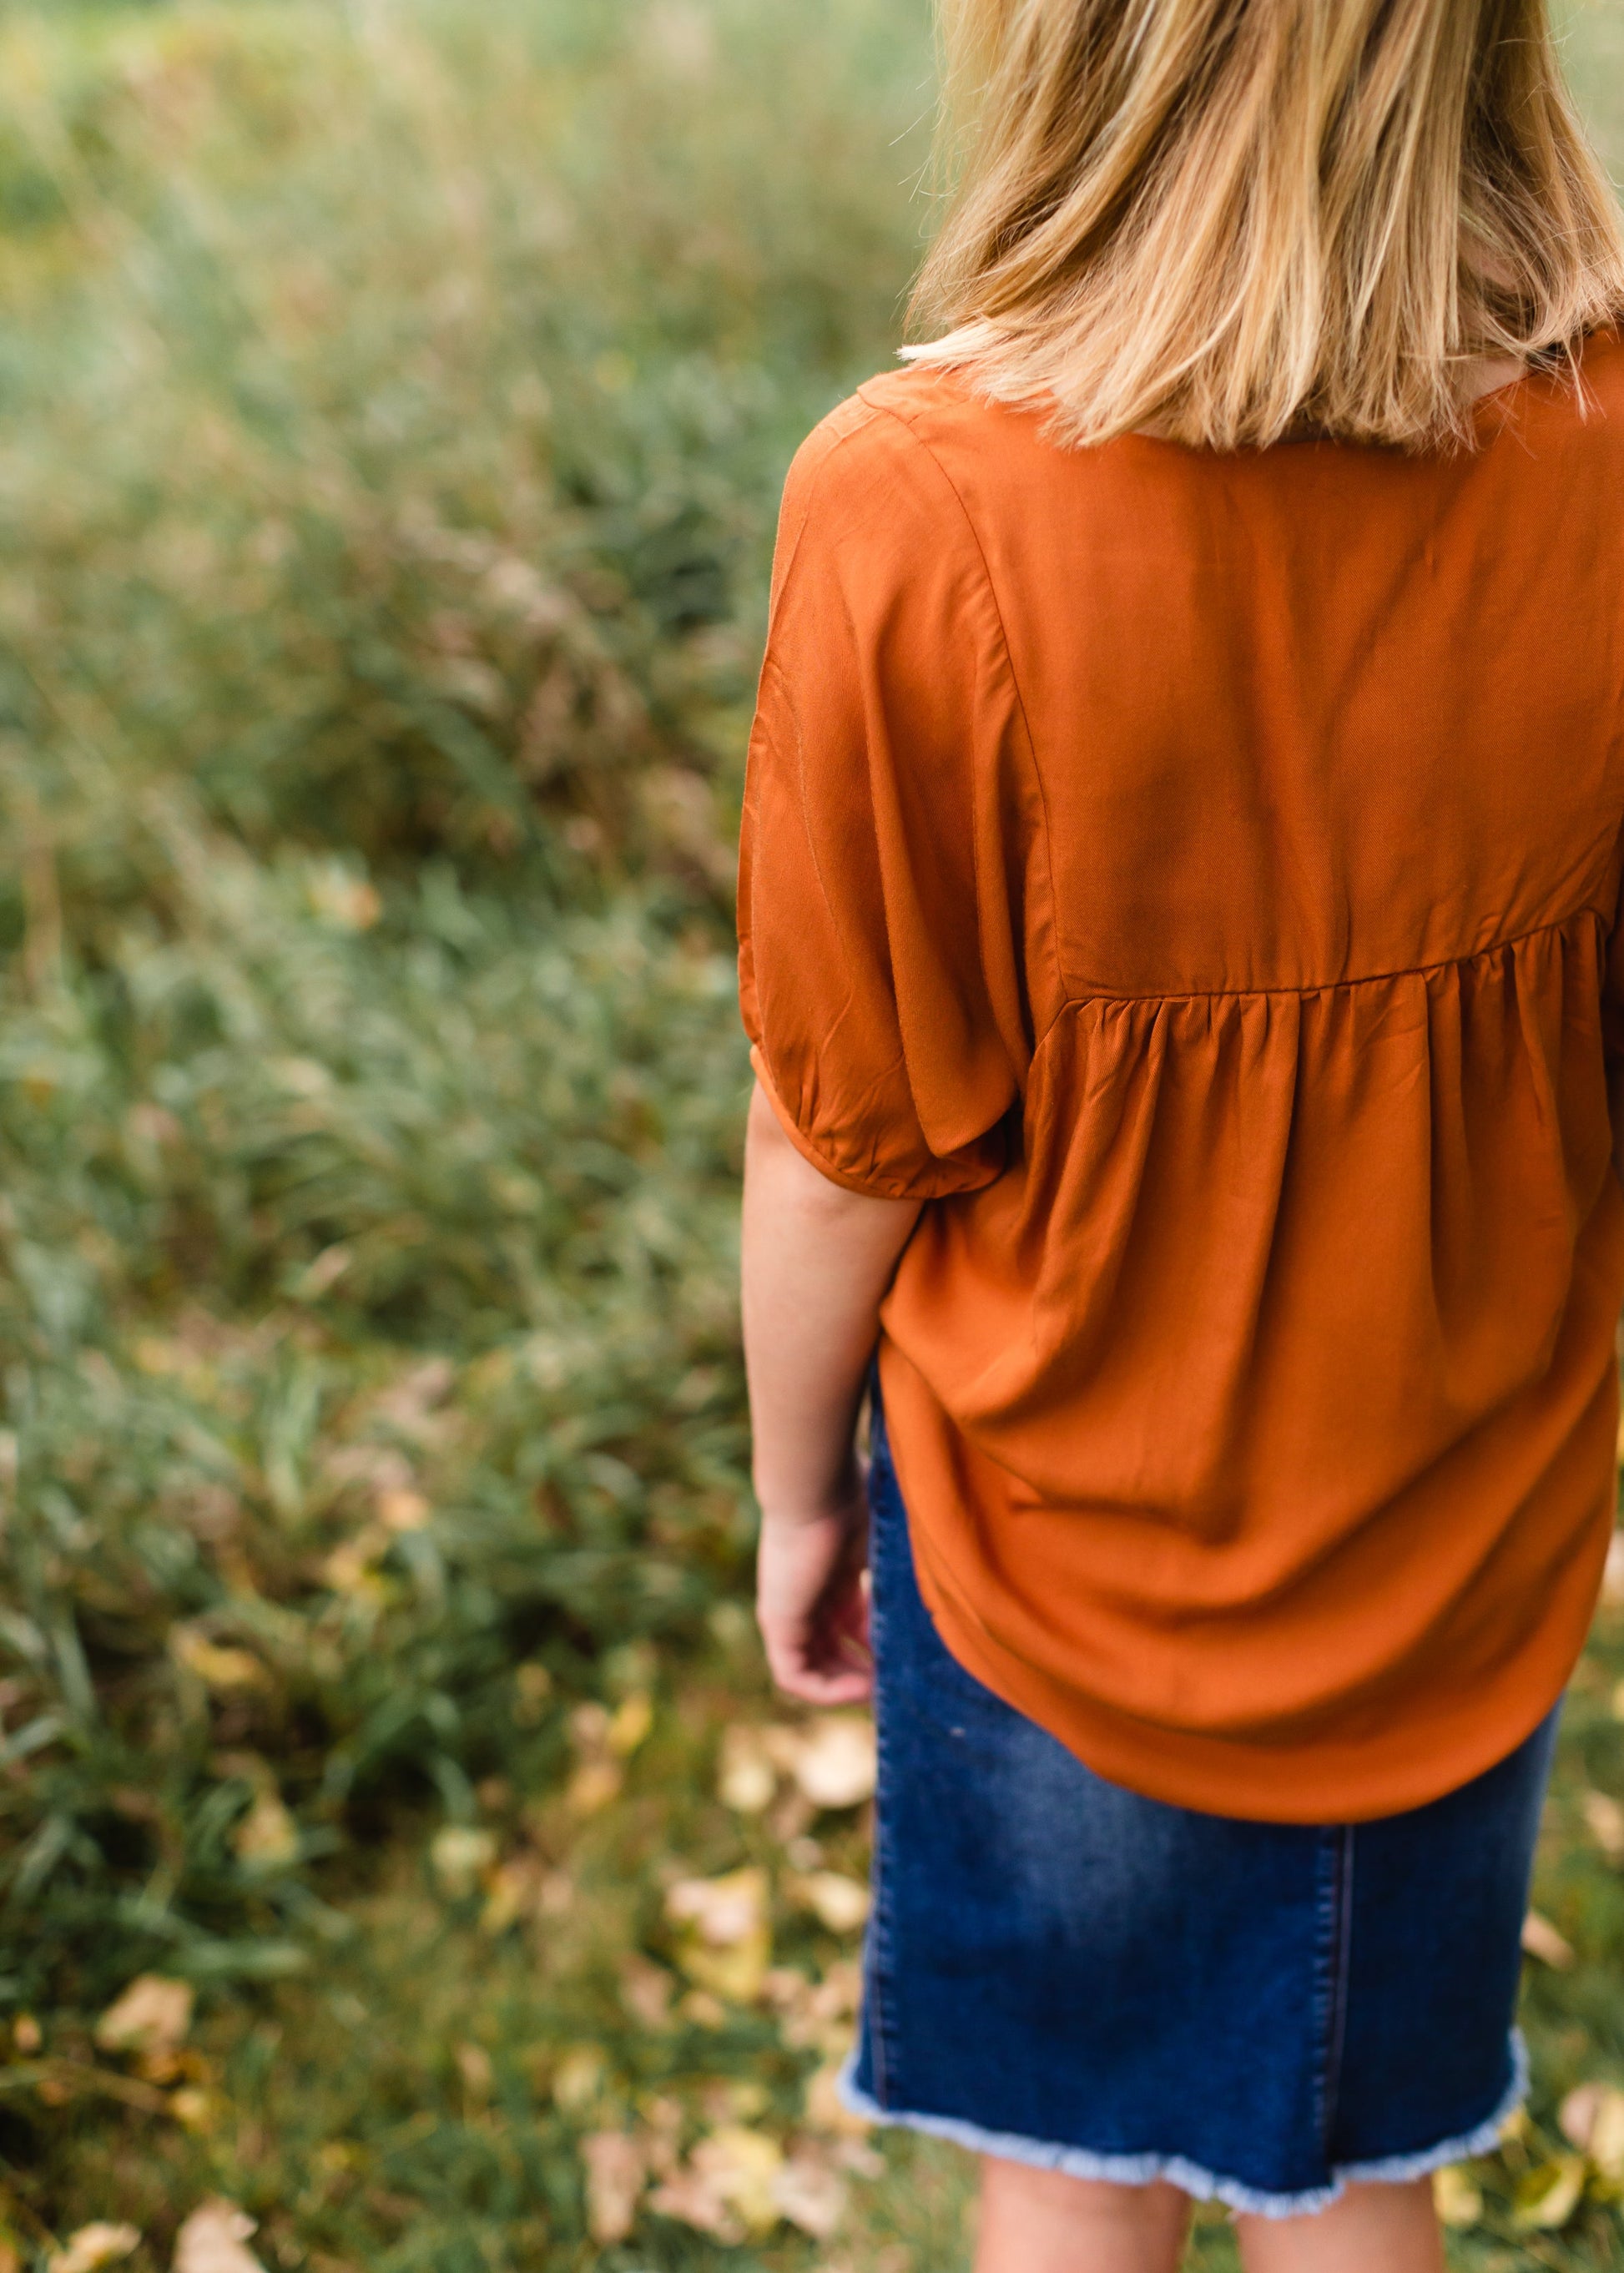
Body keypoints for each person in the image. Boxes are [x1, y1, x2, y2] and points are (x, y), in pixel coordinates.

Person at [736, 1, 1624, 2266]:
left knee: (1069, 2163)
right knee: (1353, 2166)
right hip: (1455, 1511)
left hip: (1062, 1539)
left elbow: (839, 1140)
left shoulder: (918, 501)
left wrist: (793, 1492)